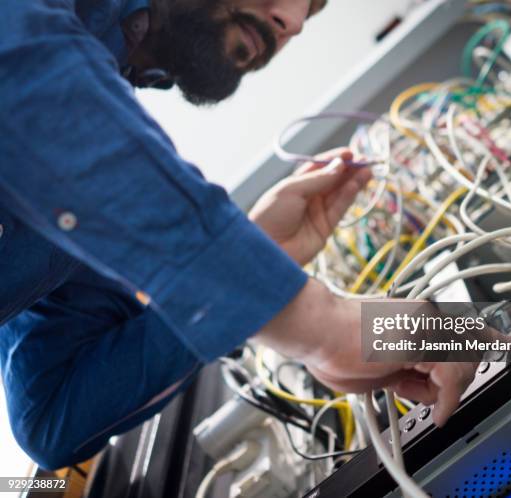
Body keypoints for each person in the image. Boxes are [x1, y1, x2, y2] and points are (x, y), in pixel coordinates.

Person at [0, 0, 478, 470]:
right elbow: (28, 71)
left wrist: (260, 271)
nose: (291, 22)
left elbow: (52, 416)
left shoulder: (78, 186)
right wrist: (317, 321)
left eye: (308, 15)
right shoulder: (43, 58)